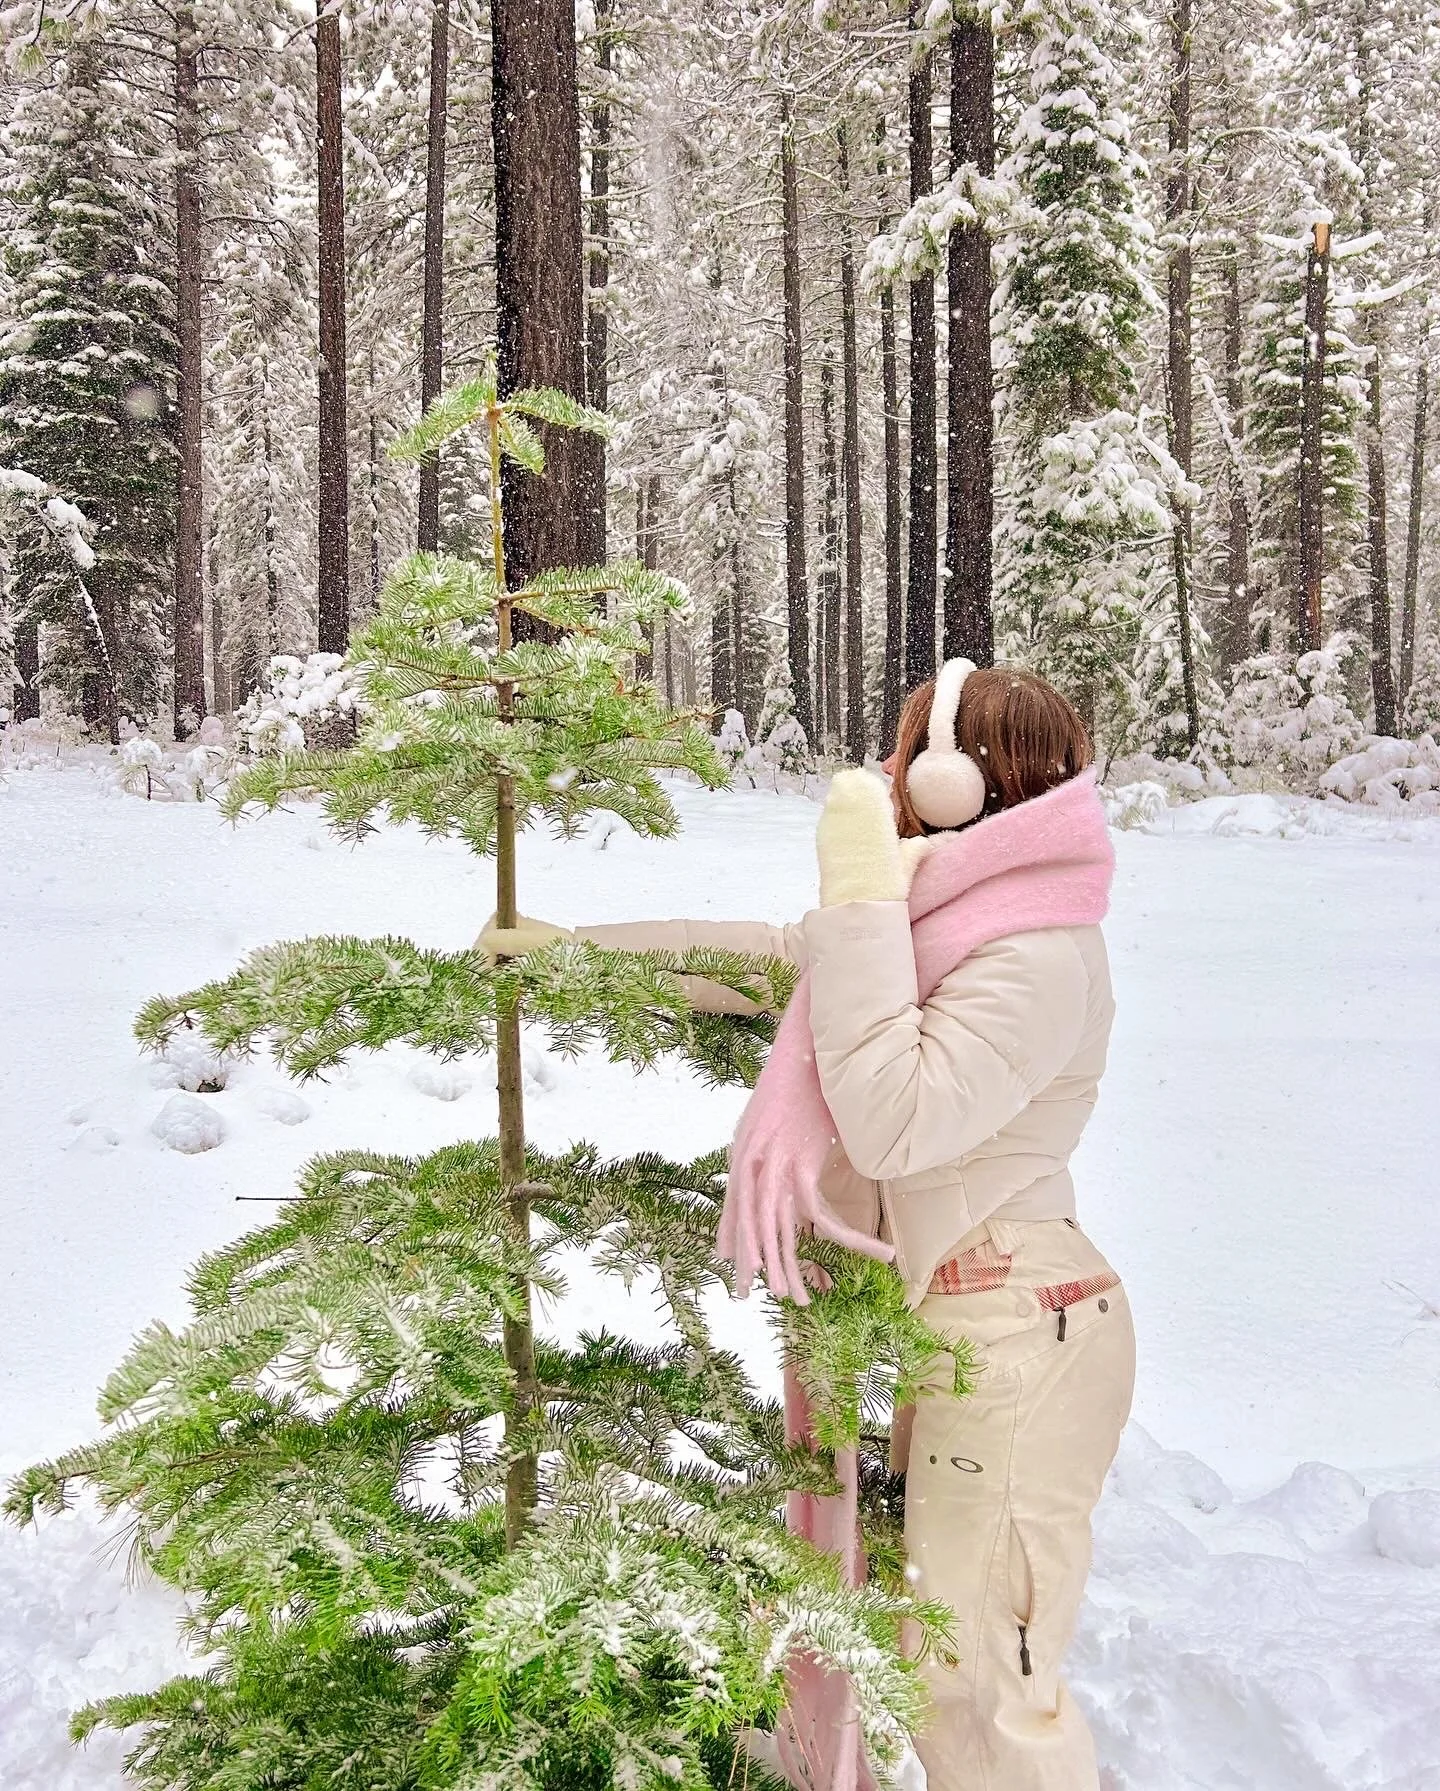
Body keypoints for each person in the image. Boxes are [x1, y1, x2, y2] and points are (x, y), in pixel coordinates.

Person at [481, 659, 1135, 1791]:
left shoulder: (1033, 954)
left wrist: (862, 904)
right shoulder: (952, 912)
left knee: (979, 1681)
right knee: (929, 1653)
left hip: (1025, 1335)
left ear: (956, 785)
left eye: (910, 755)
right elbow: (788, 965)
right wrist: (576, 957)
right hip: (968, 1320)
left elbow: (892, 1121)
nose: (887, 776)